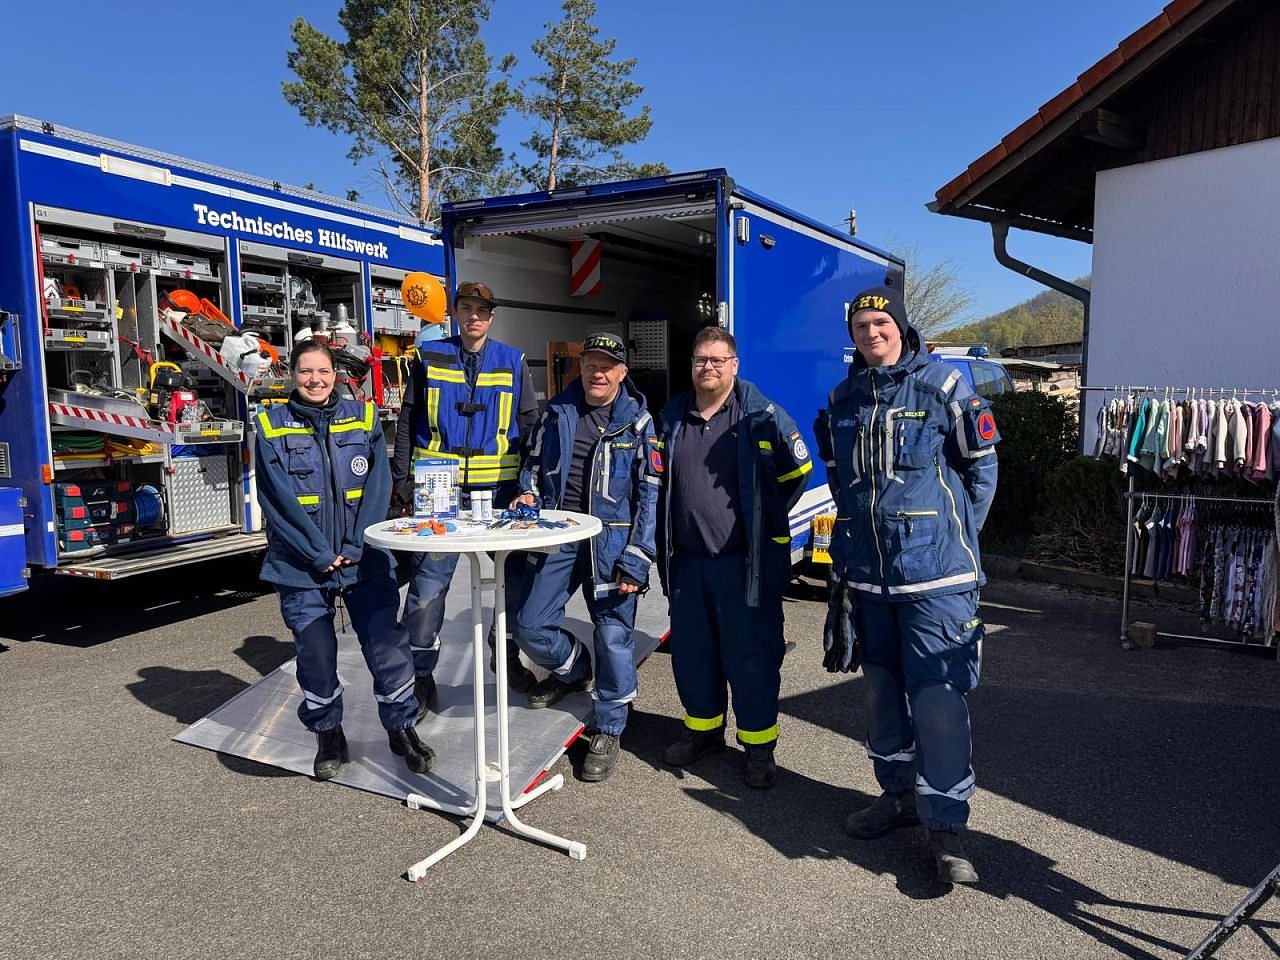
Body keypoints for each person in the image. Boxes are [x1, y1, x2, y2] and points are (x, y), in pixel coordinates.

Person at [816, 284, 999, 885]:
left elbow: (982, 470)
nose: (872, 333)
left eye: (881, 323)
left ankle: (946, 829)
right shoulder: (842, 400)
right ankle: (895, 796)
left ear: (901, 327)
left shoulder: (944, 387)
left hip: (937, 578)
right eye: (861, 326)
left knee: (938, 700)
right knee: (880, 691)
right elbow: (842, 480)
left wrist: (954, 536)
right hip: (870, 578)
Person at [255, 339, 433, 780]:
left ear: (336, 375)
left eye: (323, 371)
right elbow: (276, 500)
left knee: (388, 647)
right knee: (315, 653)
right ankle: (329, 734)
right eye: (305, 371)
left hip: (363, 557)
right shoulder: (270, 426)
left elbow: (378, 486)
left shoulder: (364, 417)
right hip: (301, 563)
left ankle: (401, 728)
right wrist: (318, 552)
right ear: (292, 375)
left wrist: (355, 546)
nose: (315, 380)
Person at [656, 327, 812, 789]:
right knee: (693, 654)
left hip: (744, 564)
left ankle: (759, 748)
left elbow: (799, 470)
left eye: (717, 360)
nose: (708, 367)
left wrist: (762, 514)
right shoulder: (673, 413)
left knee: (751, 659)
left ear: (734, 365)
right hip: (687, 562)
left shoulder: (761, 415)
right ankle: (703, 732)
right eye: (700, 359)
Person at [513, 333, 661, 782]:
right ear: (581, 367)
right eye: (591, 364)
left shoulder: (638, 423)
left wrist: (637, 557)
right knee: (530, 626)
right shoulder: (558, 410)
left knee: (613, 636)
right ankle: (575, 670)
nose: (598, 373)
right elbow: (533, 463)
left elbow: (650, 494)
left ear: (622, 373)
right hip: (559, 536)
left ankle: (609, 727)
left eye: (607, 366)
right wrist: (528, 492)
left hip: (611, 544)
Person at [392, 281, 541, 708]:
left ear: (491, 317)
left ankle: (505, 654)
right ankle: (420, 674)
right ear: (454, 313)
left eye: (482, 310)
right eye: (466, 308)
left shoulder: (512, 361)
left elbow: (530, 427)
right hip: (438, 491)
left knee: (514, 581)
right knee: (427, 589)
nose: (474, 316)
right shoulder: (429, 356)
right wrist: (402, 479)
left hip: (500, 492)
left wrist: (529, 486)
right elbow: (408, 421)